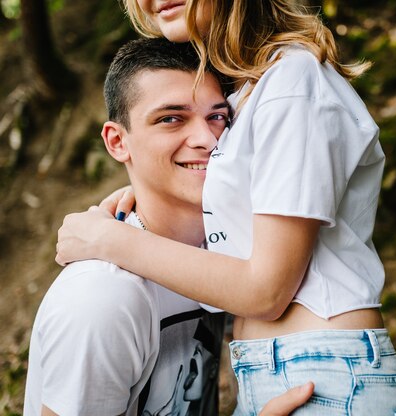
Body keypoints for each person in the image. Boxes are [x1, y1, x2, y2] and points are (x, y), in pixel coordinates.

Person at [55, 1, 396, 414]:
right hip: (276, 377)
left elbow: (269, 293)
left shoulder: (292, 82)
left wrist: (112, 240)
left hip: (316, 380)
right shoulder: (244, 90)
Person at [24, 37, 313, 416]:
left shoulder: (229, 255)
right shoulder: (103, 299)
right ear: (117, 142)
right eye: (170, 119)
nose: (207, 139)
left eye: (217, 117)